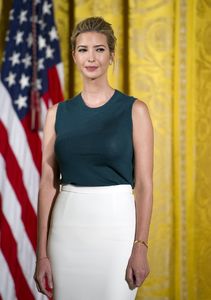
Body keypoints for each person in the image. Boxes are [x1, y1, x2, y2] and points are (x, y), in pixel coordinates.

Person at [34, 16, 154, 300]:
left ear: (111, 55)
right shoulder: (56, 113)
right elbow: (47, 184)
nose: (91, 57)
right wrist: (41, 254)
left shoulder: (135, 110)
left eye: (99, 49)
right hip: (66, 231)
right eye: (83, 49)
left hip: (117, 230)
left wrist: (141, 245)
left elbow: (146, 185)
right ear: (74, 55)